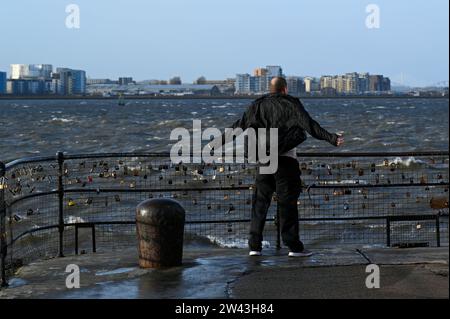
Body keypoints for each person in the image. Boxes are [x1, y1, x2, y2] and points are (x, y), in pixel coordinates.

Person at [212, 77, 344, 257]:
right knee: (287, 204)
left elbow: (238, 126)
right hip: (286, 161)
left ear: (270, 89)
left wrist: (215, 144)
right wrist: (332, 138)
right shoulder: (291, 104)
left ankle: (254, 247)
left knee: (260, 204)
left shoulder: (257, 106)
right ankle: (294, 247)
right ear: (285, 89)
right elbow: (310, 125)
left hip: (264, 160)